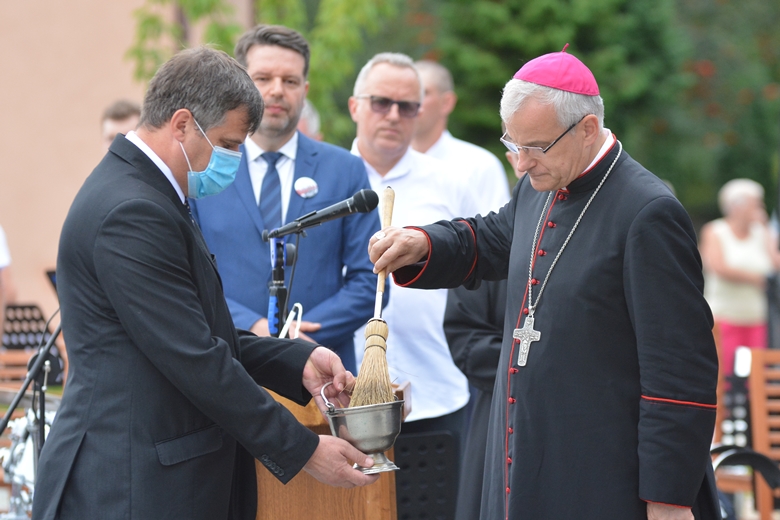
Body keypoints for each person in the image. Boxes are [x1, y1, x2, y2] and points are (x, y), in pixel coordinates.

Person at [368, 47, 720, 520]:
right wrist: (423, 243)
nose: (520, 162)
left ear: (587, 129)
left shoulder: (647, 212)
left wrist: (668, 498)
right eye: (513, 144)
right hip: (527, 453)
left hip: (606, 472)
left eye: (534, 147)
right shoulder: (544, 182)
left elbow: (680, 372)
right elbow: (492, 238)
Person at [32, 47, 378, 520]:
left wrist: (296, 360)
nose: (234, 159)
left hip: (158, 475)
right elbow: (192, 355)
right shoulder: (132, 210)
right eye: (229, 143)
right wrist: (302, 450)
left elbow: (199, 330)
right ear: (181, 124)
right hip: (131, 484)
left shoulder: (150, 194)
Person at [191, 25, 380, 373]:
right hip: (225, 367)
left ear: (305, 90)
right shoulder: (204, 167)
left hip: (322, 373)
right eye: (263, 78)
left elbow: (370, 279)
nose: (277, 90)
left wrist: (295, 333)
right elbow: (187, 274)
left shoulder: (345, 170)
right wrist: (255, 327)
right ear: (240, 85)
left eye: (290, 81)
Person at [348, 52, 477, 465]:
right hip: (345, 396)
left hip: (438, 389)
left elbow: (480, 273)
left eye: (407, 106)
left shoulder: (450, 183)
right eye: (380, 102)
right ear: (355, 106)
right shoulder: (327, 180)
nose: (393, 115)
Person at [700, 179, 780, 376]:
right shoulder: (715, 230)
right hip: (725, 316)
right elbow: (718, 266)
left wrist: (767, 230)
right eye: (756, 203)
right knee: (725, 372)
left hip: (755, 316)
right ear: (738, 206)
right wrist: (758, 279)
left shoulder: (762, 232)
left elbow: (775, 263)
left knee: (754, 374)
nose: (760, 207)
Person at [412, 60, 510, 214]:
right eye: (407, 94)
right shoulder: (384, 163)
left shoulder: (480, 166)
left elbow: (496, 235)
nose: (411, 102)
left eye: (423, 93)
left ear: (446, 102)